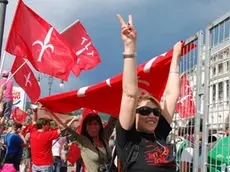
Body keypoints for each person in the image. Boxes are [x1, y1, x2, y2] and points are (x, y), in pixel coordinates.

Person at [115, 14, 182, 172]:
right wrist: (130, 47)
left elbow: (172, 95)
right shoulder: (129, 140)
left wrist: (176, 57)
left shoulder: (159, 134)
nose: (152, 116)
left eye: (156, 112)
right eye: (145, 111)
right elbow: (130, 94)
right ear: (135, 114)